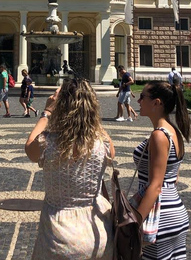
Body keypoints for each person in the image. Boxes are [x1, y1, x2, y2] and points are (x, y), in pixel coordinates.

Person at [25, 78, 115, 260]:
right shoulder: (102, 141)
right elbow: (110, 153)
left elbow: (29, 148)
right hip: (97, 230)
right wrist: (88, 115)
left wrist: (47, 112)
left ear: (61, 105)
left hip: (58, 234)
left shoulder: (47, 142)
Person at [135, 81, 191, 260]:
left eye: (142, 97)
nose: (138, 101)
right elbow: (173, 177)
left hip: (160, 217)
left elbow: (155, 186)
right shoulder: (174, 131)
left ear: (157, 103)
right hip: (175, 211)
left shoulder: (159, 135)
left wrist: (135, 222)